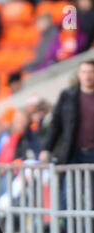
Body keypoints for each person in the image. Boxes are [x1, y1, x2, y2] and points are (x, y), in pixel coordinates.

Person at [39, 59, 94, 212]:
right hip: (74, 152)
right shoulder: (68, 96)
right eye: (84, 72)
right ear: (79, 74)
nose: (88, 76)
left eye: (91, 72)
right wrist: (46, 148)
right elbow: (56, 123)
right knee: (69, 197)